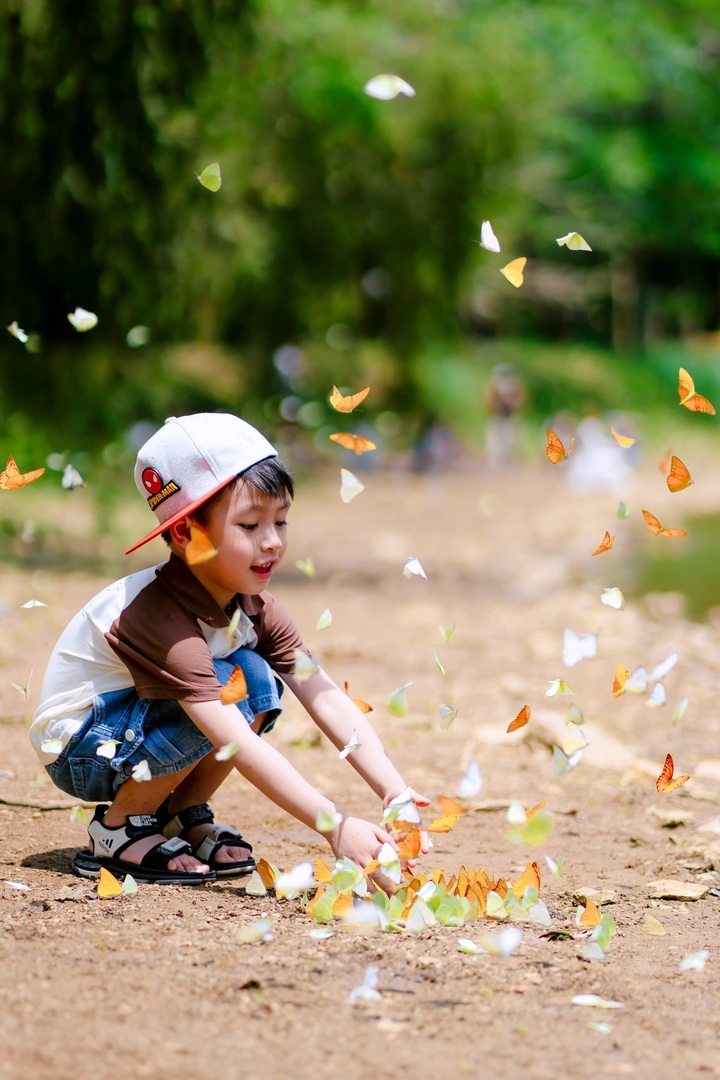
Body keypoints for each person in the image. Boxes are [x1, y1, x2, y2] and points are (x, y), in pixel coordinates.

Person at [30, 413, 429, 886]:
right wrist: (335, 826)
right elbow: (234, 739)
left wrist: (393, 790)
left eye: (280, 520)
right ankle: (117, 829)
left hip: (136, 725)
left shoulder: (254, 606)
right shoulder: (161, 616)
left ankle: (179, 813)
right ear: (186, 535)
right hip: (81, 745)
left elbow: (322, 694)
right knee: (226, 689)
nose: (273, 542)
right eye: (250, 525)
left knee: (254, 677)